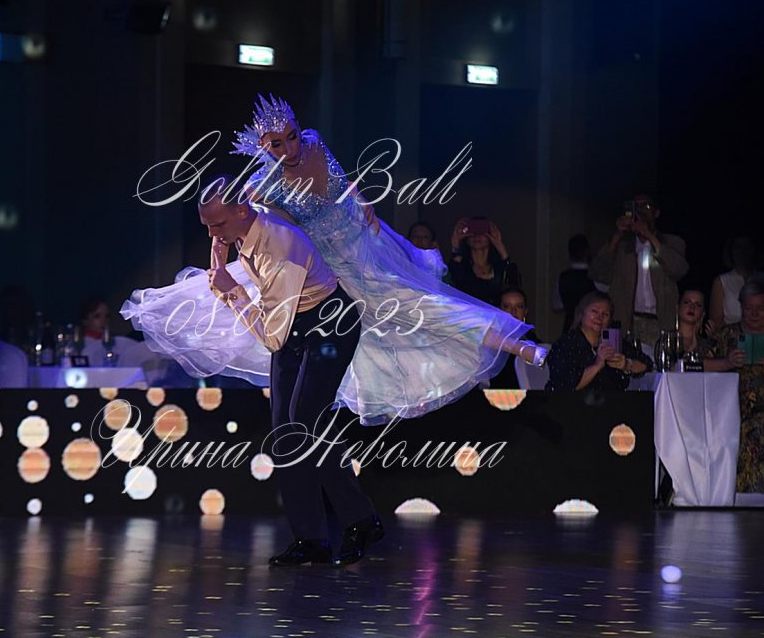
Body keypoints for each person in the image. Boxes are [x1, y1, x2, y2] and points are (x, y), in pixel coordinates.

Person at [229, 94, 543, 422]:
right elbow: (272, 234)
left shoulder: (314, 142)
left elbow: (342, 184)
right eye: (277, 144)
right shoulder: (260, 186)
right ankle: (400, 395)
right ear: (262, 147)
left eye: (292, 136)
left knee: (418, 302)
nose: (290, 148)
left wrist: (361, 198)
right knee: (371, 334)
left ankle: (514, 343)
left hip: (364, 238)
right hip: (327, 263)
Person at [201, 177, 382, 566]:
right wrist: (219, 257)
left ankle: (362, 520)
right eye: (208, 226)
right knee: (286, 433)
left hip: (330, 325)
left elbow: (271, 338)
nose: (213, 234)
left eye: (217, 225)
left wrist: (232, 290)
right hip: (295, 326)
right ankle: (311, 538)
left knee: (307, 423)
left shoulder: (278, 248)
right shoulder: (243, 224)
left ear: (241, 211)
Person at [706, 278, 764, 505]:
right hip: (731, 414)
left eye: (761, 308)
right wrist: (726, 362)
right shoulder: (727, 336)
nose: (754, 314)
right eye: (748, 308)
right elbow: (693, 366)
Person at [589, 194, 688, 349]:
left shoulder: (672, 242)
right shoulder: (622, 246)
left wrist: (650, 236)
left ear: (656, 212)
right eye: (636, 206)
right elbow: (599, 274)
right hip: (628, 323)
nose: (641, 211)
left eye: (646, 206)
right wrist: (617, 235)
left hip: (660, 323)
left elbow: (678, 269)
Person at [546, 291, 652, 392]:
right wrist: (597, 365)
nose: (599, 317)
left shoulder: (613, 342)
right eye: (594, 311)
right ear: (582, 313)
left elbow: (646, 364)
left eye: (605, 314)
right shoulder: (566, 344)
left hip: (612, 402)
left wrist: (627, 365)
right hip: (572, 402)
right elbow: (565, 385)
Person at [447, 216, 521, 305]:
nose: (477, 236)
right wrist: (456, 244)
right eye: (472, 232)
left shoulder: (500, 269)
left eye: (482, 231)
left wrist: (499, 245)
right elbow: (453, 280)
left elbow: (514, 287)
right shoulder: (461, 268)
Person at [709, 236, 764, 331]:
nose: (742, 251)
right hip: (730, 336)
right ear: (731, 251)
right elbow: (716, 320)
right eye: (738, 247)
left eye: (747, 247)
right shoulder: (721, 281)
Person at [489, 287, 542, 389]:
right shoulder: (492, 339)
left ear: (525, 311)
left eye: (519, 306)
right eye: (507, 306)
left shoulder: (532, 339)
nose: (513, 312)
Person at [553, 234, 600, 334]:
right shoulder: (595, 277)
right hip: (591, 329)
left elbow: (557, 305)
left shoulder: (563, 277)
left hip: (569, 328)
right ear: (588, 251)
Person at [676, 289, 714, 357]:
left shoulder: (707, 345)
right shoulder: (667, 340)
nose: (692, 307)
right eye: (687, 302)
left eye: (698, 305)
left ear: (703, 313)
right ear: (678, 307)